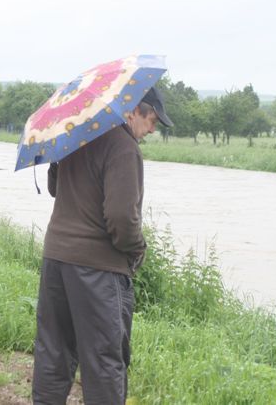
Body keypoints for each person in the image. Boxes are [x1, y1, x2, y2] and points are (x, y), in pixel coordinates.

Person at [32, 87, 173, 404]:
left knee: (53, 351)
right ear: (135, 110)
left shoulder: (76, 137)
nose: (152, 129)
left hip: (56, 259)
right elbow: (122, 220)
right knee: (104, 363)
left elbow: (56, 188)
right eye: (152, 120)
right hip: (96, 270)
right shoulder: (124, 147)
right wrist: (137, 250)